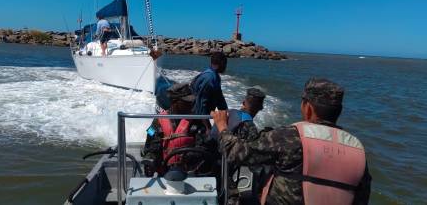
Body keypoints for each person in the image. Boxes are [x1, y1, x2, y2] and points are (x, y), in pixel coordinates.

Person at [212, 78, 371, 205]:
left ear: (307, 108)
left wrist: (221, 125)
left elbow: (235, 152)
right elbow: (362, 197)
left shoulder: (289, 136)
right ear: (339, 111)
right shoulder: (357, 149)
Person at [142, 83, 209, 176]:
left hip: (190, 173)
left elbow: (203, 145)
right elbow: (150, 141)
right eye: (186, 102)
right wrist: (151, 158)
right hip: (165, 172)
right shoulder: (157, 121)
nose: (190, 105)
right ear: (174, 102)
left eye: (192, 102)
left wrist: (189, 157)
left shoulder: (196, 120)